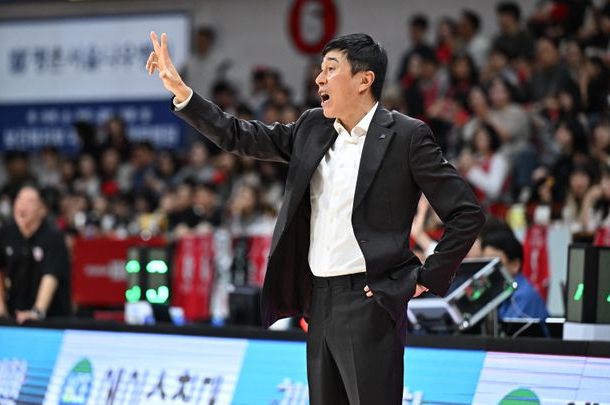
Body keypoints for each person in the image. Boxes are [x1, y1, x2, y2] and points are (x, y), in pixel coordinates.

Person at [147, 31, 485, 404]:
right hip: (319, 299)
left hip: (370, 300)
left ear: (364, 80)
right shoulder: (312, 127)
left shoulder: (407, 136)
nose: (319, 79)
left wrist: (424, 278)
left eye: (330, 69)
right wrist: (183, 93)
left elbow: (467, 213)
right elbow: (238, 135)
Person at [0, 185, 71, 324]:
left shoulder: (54, 237)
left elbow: (50, 276)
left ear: (42, 210)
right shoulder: (3, 234)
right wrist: (0, 306)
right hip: (15, 313)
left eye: (30, 201)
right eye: (19, 199)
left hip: (53, 317)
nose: (22, 205)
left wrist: (38, 311)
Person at [481, 226, 549, 320]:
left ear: (515, 265)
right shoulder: (498, 290)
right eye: (485, 263)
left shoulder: (522, 296)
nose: (487, 269)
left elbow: (508, 329)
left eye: (494, 263)